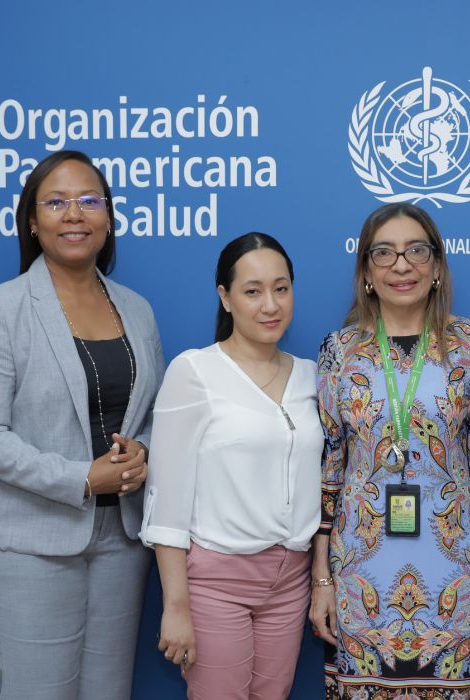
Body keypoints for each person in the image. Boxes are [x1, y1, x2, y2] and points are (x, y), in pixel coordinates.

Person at [0, 150, 162, 699]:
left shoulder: (137, 310)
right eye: (57, 202)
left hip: (121, 541)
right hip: (30, 545)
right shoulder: (0, 310)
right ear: (31, 219)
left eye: (89, 201)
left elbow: (152, 414)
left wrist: (142, 451)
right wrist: (79, 479)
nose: (75, 214)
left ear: (110, 217)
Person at [311, 203, 470, 699]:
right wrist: (322, 581)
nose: (402, 265)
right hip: (359, 573)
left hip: (452, 575)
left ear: (437, 266)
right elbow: (329, 469)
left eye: (417, 250)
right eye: (385, 253)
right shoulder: (339, 351)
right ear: (366, 271)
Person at [142, 232, 323, 699]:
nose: (270, 304)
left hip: (290, 581)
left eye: (281, 289)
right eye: (252, 290)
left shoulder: (312, 376)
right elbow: (167, 500)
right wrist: (175, 606)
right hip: (216, 582)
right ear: (225, 297)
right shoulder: (194, 372)